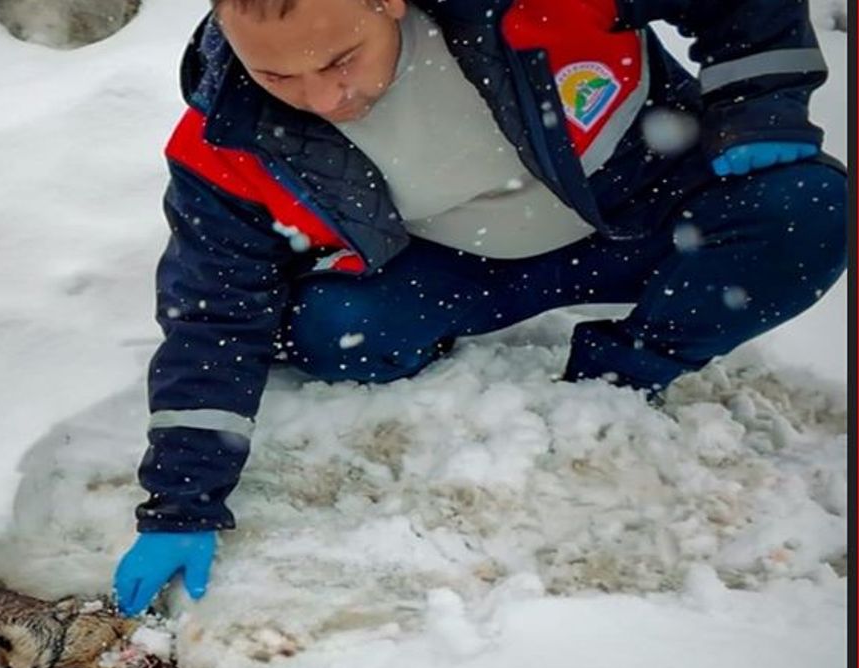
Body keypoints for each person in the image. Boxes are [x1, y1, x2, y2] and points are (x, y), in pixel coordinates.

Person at [112, 0, 847, 615]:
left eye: (340, 60)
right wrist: (181, 502)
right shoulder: (230, 130)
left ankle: (625, 372)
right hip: (468, 268)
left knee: (809, 210)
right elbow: (214, 314)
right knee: (331, 332)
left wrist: (761, 104)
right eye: (278, 75)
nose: (324, 99)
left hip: (640, 213)